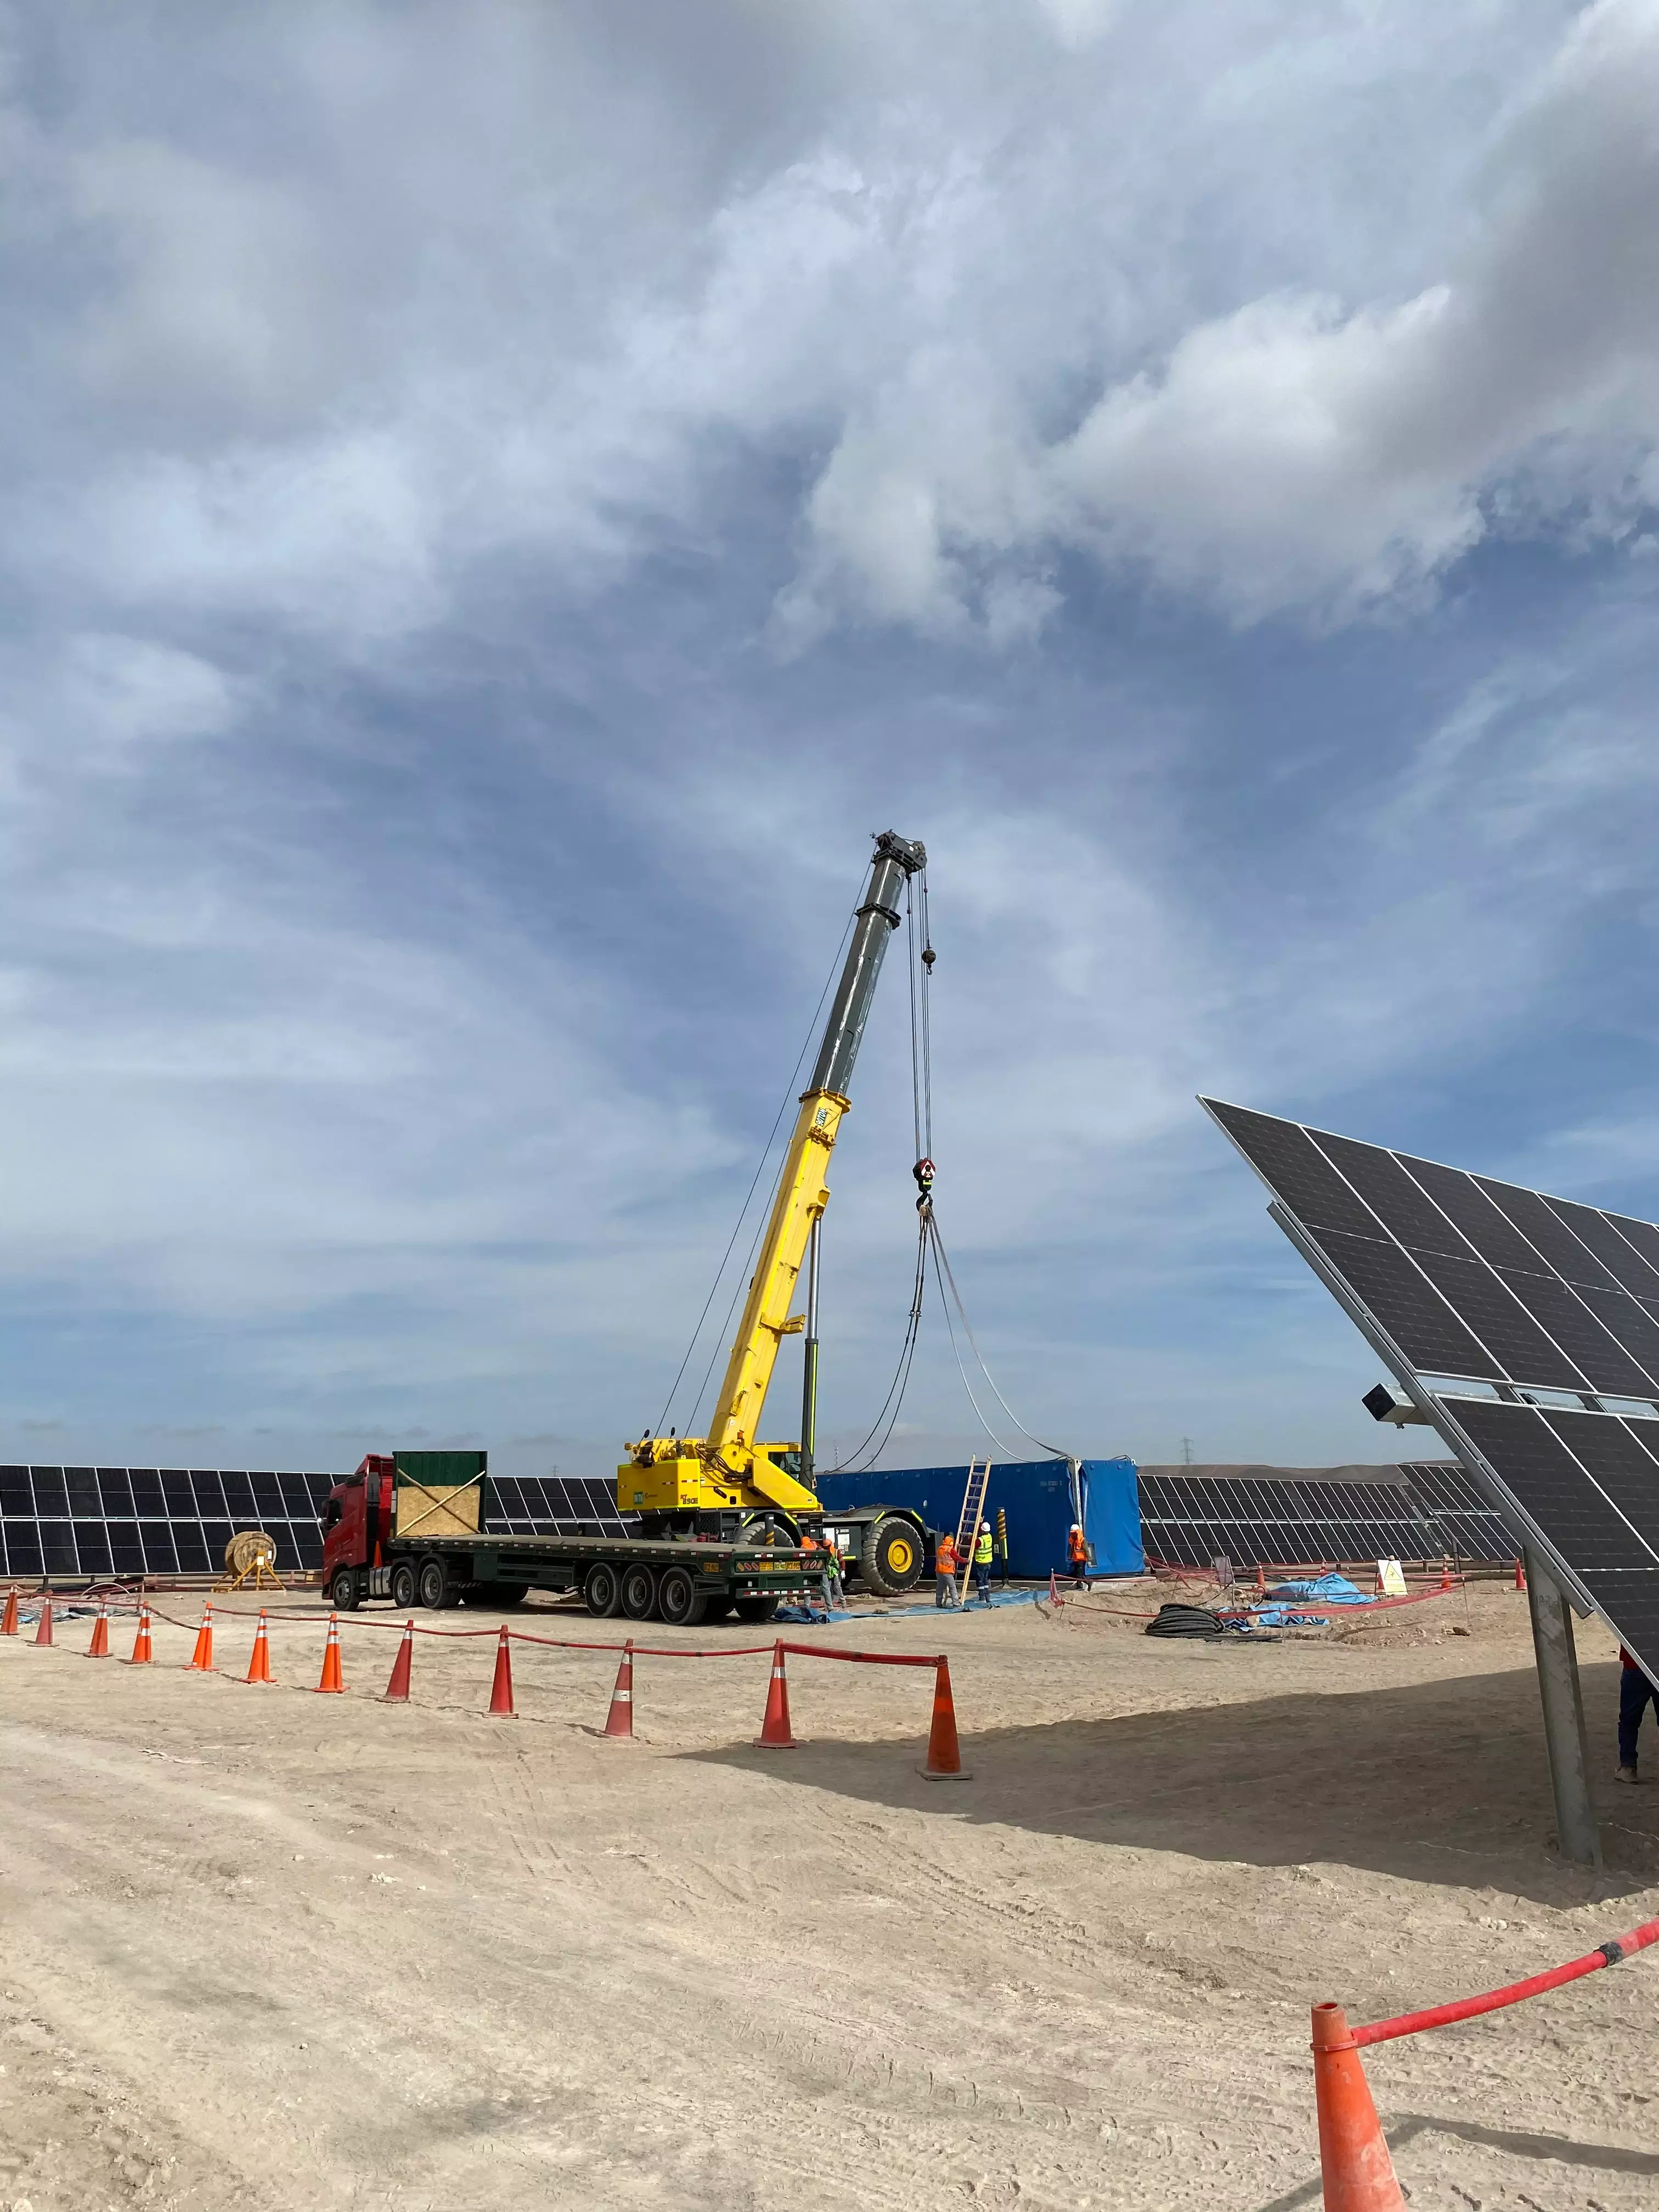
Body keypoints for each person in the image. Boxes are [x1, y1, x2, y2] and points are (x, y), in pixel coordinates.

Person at [1617, 1645, 1657, 1781]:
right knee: (1629, 1720)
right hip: (1637, 1663)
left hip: (1636, 1664)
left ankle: (1628, 1768)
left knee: (1629, 1720)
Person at [934, 1531, 960, 1609]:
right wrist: (966, 1561)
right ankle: (956, 1603)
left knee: (940, 1588)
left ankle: (939, 1603)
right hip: (947, 1571)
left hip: (939, 1571)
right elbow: (958, 1558)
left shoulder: (939, 1548)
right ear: (951, 1542)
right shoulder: (950, 1549)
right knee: (952, 1587)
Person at [973, 1520, 994, 1607]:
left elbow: (974, 1545)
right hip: (988, 1561)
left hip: (981, 1562)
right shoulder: (990, 1537)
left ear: (982, 1531)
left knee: (980, 1581)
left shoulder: (980, 1540)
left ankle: (982, 1598)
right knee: (985, 1580)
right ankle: (988, 1598)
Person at [1068, 1522, 1089, 1590]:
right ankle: (1083, 1584)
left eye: (1075, 1533)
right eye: (1072, 1533)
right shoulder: (1073, 1542)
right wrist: (1070, 1557)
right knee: (1078, 1574)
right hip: (1076, 1560)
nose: (1073, 1535)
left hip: (1082, 1560)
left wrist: (1089, 1558)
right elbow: (1072, 1550)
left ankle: (1084, 1585)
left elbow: (1086, 1549)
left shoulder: (1083, 1540)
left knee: (1080, 1575)